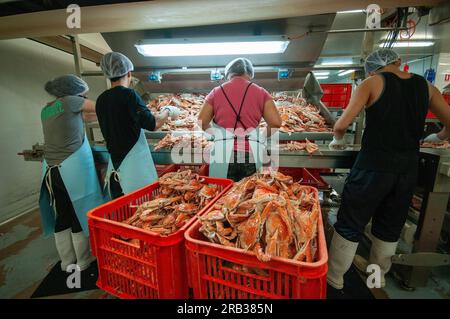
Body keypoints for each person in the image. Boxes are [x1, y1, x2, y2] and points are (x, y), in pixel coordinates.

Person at [327, 48, 450, 291]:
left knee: (351, 221)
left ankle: (335, 278)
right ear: (398, 62)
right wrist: (437, 135)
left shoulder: (371, 83)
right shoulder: (425, 87)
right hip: (406, 169)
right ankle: (377, 278)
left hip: (373, 166)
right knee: (390, 224)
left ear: (372, 68)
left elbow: (341, 124)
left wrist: (338, 140)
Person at [39, 74, 104, 272]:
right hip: (71, 169)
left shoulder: (47, 108)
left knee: (63, 214)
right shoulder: (71, 101)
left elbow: (86, 116)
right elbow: (102, 106)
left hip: (51, 170)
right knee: (79, 212)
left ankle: (67, 262)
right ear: (74, 91)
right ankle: (84, 261)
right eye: (83, 93)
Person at [96, 52, 181, 199]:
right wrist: (168, 111)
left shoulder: (101, 99)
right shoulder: (129, 95)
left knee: (120, 211)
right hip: (133, 171)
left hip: (115, 168)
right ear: (129, 73)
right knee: (139, 210)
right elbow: (153, 124)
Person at [198, 58, 281, 181]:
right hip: (251, 153)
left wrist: (217, 135)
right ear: (250, 74)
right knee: (247, 195)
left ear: (228, 73)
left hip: (223, 153)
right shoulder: (261, 92)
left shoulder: (216, 92)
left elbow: (202, 121)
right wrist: (262, 137)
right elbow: (275, 122)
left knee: (222, 193)